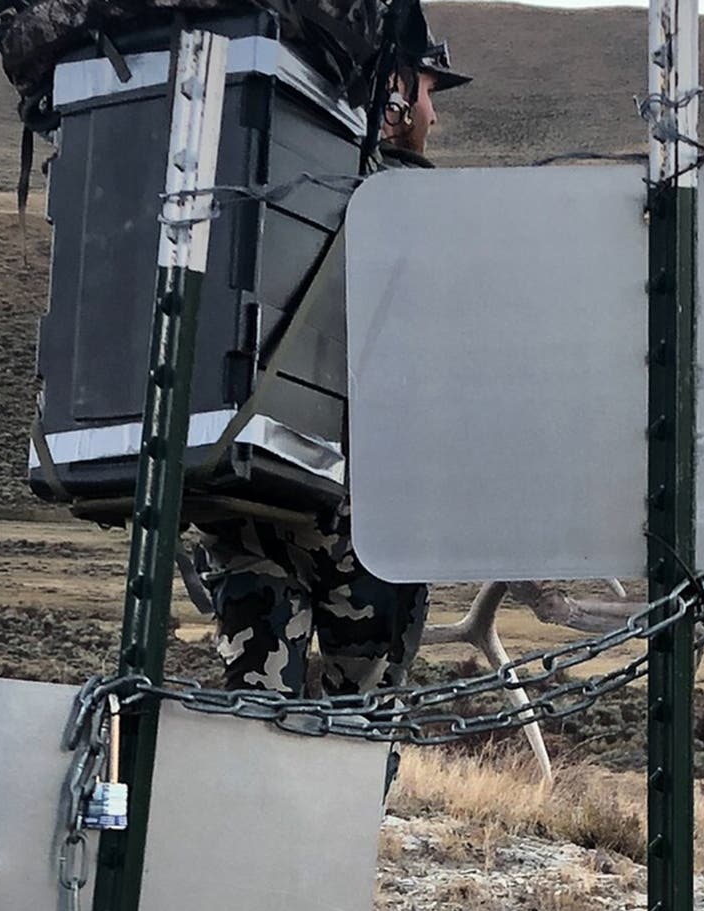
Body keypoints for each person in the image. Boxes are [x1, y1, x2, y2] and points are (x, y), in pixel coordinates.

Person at [190, 12, 469, 700]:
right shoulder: (411, 206)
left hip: (249, 495)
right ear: (395, 92)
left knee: (255, 707)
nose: (432, 114)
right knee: (363, 719)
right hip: (360, 522)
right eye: (427, 91)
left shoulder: (263, 172)